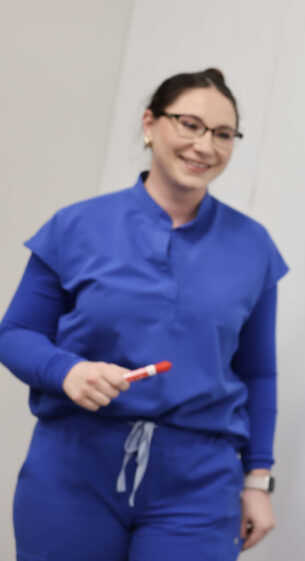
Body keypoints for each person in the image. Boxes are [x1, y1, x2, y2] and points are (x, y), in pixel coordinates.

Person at [0, 69, 287, 561]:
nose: (204, 146)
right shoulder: (77, 226)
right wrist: (67, 370)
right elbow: (17, 333)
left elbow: (257, 372)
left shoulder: (252, 246)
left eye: (222, 134)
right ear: (150, 124)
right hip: (74, 469)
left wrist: (257, 480)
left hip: (199, 482)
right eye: (189, 124)